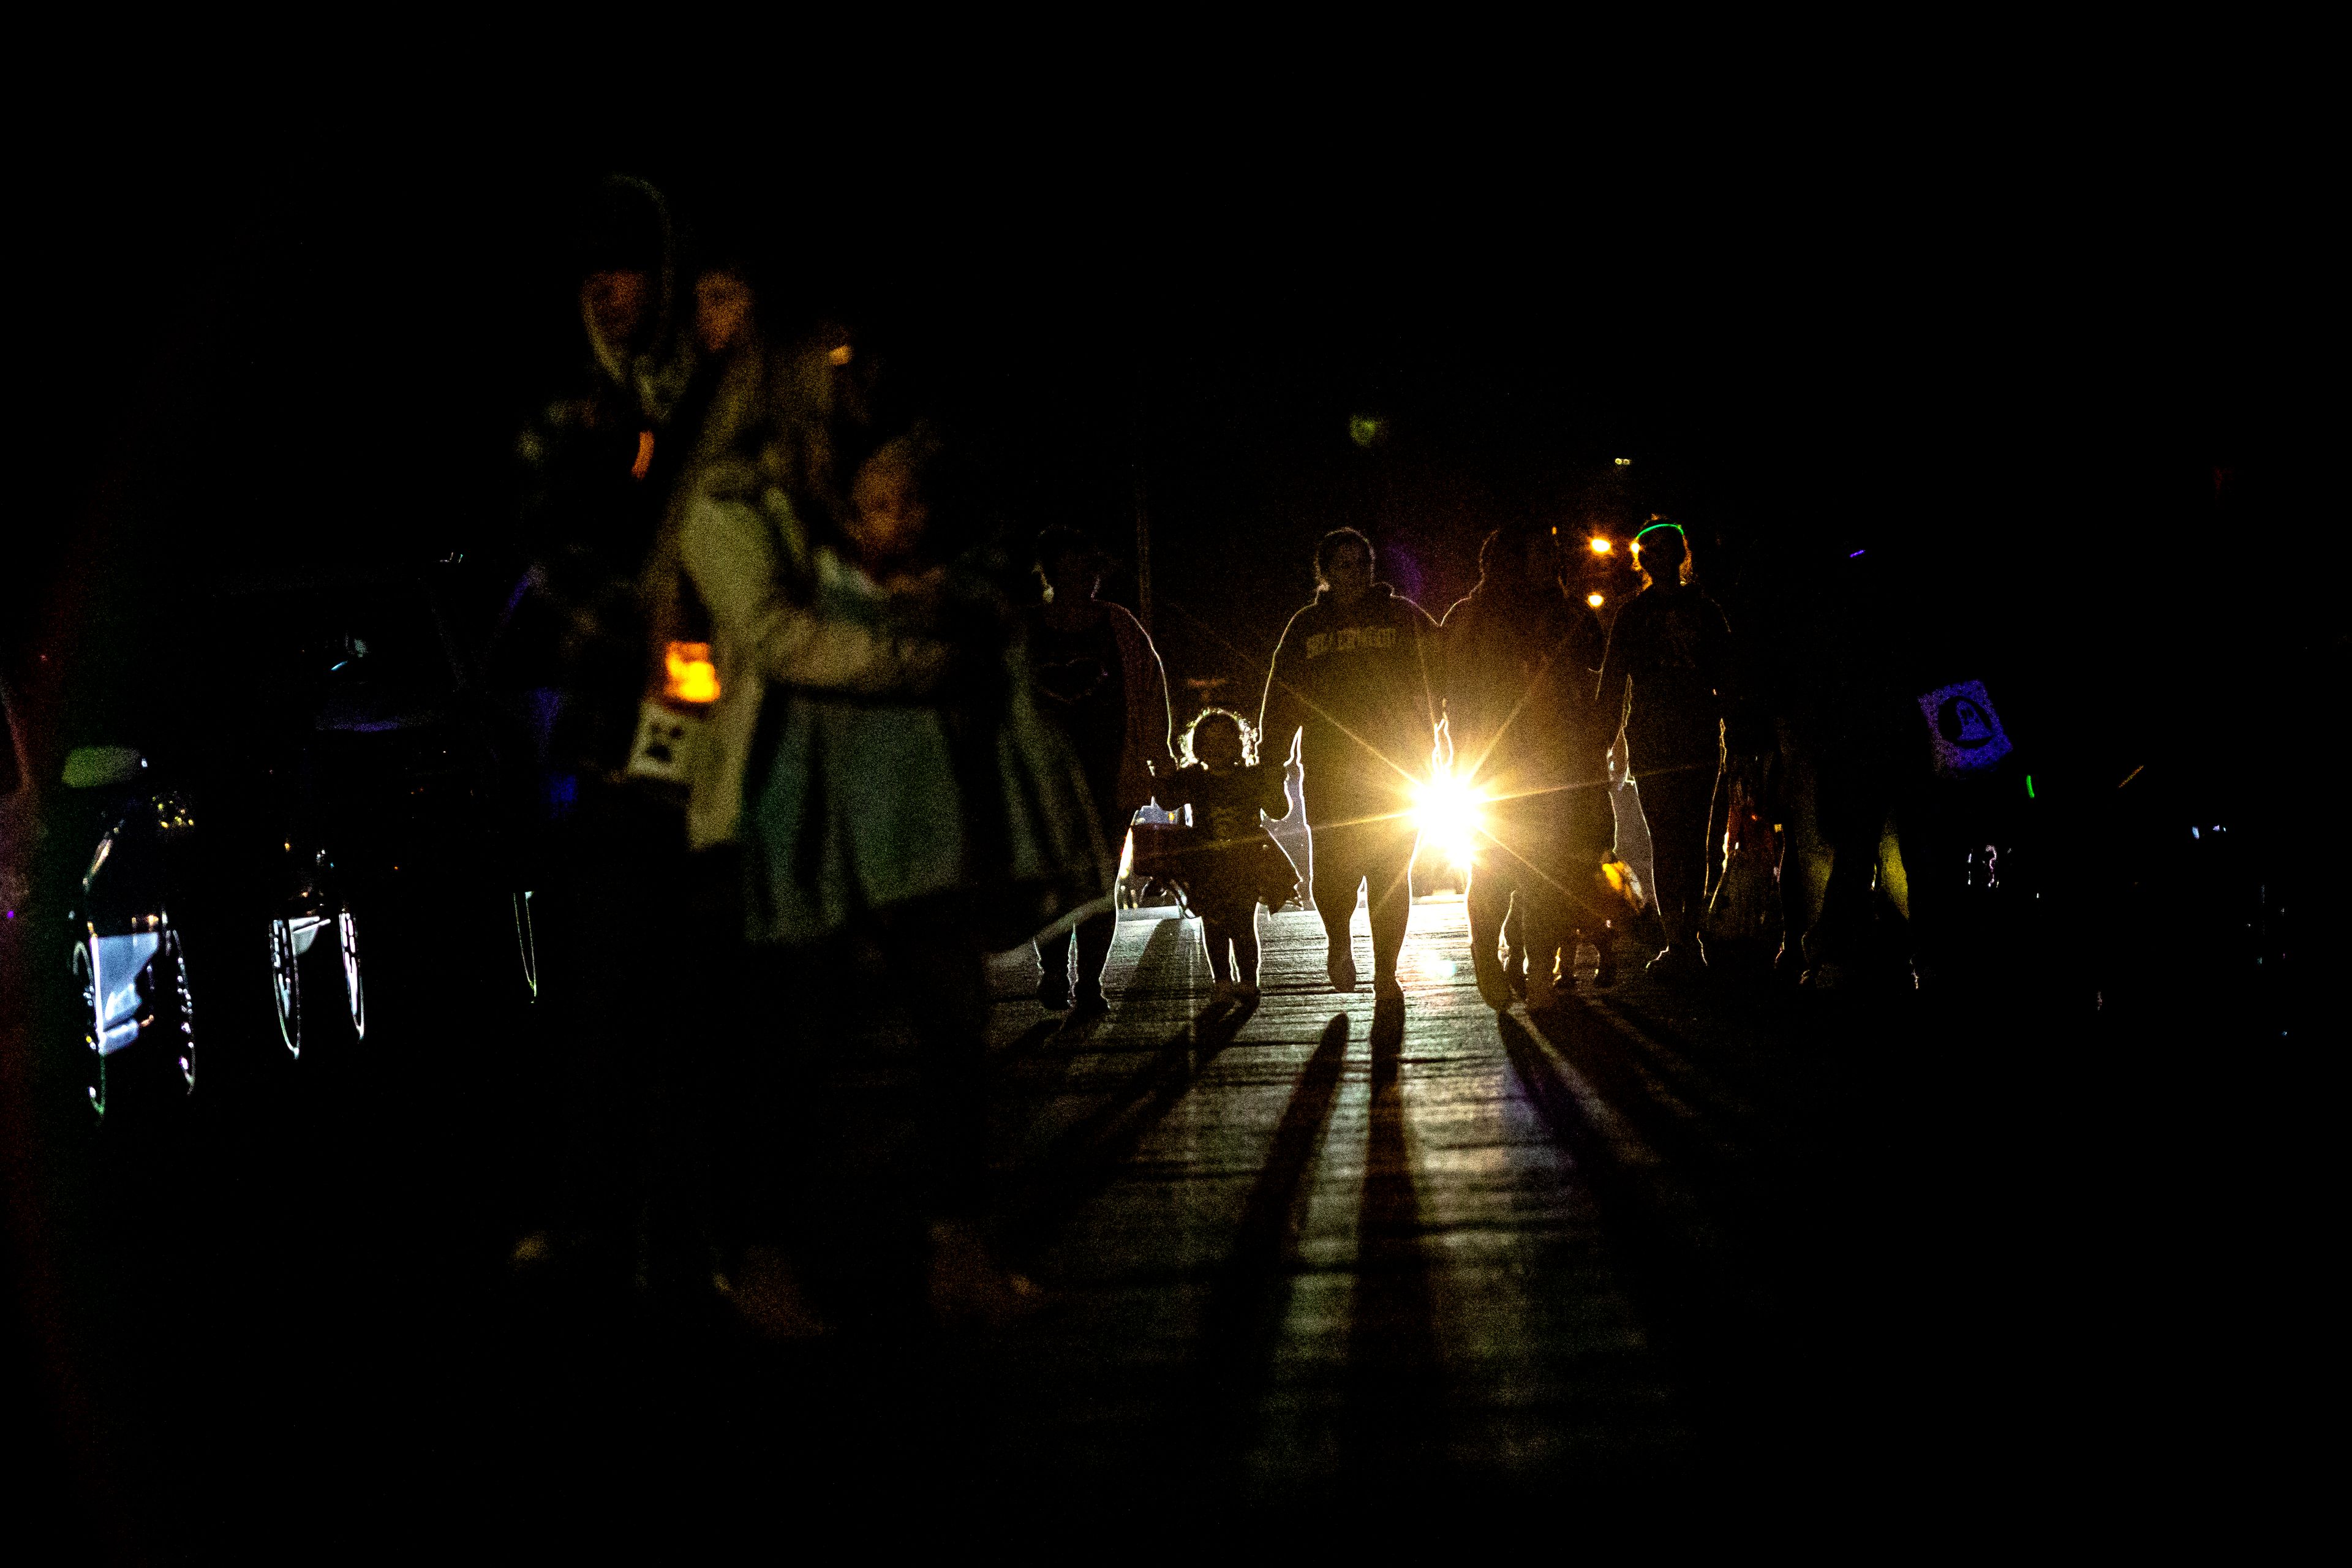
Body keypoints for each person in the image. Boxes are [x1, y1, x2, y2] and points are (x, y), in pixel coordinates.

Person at [673, 347, 1106, 1330]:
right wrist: (925, 654)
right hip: (808, 816)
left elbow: (987, 594)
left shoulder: (918, 535)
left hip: (916, 824)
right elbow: (778, 640)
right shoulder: (757, 518)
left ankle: (952, 1246)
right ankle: (764, 1260)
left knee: (952, 1033)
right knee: (798, 1049)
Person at [1259, 527, 1444, 1004]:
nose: (1354, 573)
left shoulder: (1403, 616)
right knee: (1336, 874)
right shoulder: (1306, 626)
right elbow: (1281, 698)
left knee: (1389, 873)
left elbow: (1443, 670)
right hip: (1330, 768)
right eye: (1343, 565)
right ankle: (1339, 941)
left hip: (1396, 770)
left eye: (1361, 564)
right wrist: (1270, 765)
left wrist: (1432, 732)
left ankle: (1387, 972)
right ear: (1324, 573)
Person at [1441, 523, 1614, 1008]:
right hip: (1489, 767)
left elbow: (1597, 665)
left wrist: (1595, 745)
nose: (1547, 565)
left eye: (1551, 557)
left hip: (1556, 763)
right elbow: (1440, 691)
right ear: (1503, 564)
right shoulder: (1469, 617)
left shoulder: (1566, 610)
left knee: (1544, 875)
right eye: (1536, 556)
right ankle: (1485, 954)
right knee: (1492, 872)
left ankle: (1540, 973)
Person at [1023, 526, 1174, 1014]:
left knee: (1098, 884)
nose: (1078, 581)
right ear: (1048, 573)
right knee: (1051, 882)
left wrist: (1160, 757)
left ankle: (1089, 983)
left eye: (1085, 571)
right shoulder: (1025, 630)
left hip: (1111, 775)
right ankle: (1053, 973)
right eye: (1066, 571)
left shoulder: (1120, 626)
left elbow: (1151, 692)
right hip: (1041, 781)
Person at [1596, 520, 1735, 979]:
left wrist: (1607, 737)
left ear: (1678, 557)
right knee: (1677, 839)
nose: (1656, 558)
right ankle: (1683, 939)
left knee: (1687, 839)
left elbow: (1728, 681)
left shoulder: (1682, 613)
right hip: (1667, 736)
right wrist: (1608, 738)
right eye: (1650, 551)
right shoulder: (1673, 612)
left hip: (1684, 735)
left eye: (1663, 550)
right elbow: (1614, 682)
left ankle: (1683, 939)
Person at [1154, 707, 1297, 1004]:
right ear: (1198, 748)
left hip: (1246, 860)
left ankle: (1247, 980)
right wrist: (1162, 774)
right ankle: (1221, 981)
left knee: (1243, 923)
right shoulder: (1192, 778)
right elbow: (1168, 800)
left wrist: (1275, 779)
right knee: (1214, 923)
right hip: (1205, 863)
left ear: (1238, 744)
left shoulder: (1251, 776)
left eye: (1225, 741)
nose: (1217, 748)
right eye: (1210, 742)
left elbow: (1279, 811)